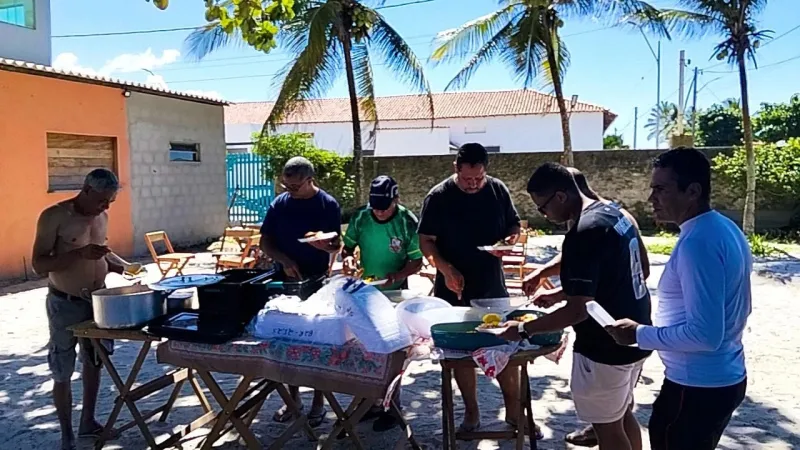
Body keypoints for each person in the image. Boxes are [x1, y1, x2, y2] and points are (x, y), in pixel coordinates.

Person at [606, 148, 752, 450]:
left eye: (661, 189)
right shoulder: (724, 228)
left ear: (693, 191)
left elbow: (706, 335)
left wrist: (638, 334)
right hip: (719, 377)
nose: (651, 199)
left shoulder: (698, 242)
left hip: (697, 386)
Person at [501, 162, 652, 450]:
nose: (544, 214)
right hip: (637, 333)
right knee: (621, 415)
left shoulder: (582, 232)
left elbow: (578, 310)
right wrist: (559, 290)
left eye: (542, 207)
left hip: (604, 347)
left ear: (560, 196)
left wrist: (521, 329)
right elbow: (639, 270)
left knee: (607, 429)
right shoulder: (617, 214)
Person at [418, 143, 529, 434]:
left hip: (492, 284)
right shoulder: (438, 197)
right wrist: (446, 269)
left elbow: (513, 226)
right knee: (461, 354)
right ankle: (471, 411)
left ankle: (515, 413)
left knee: (504, 349)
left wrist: (509, 242)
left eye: (478, 178)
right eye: (468, 179)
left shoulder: (497, 190)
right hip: (452, 288)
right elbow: (426, 241)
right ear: (456, 168)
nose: (473, 184)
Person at [32, 169, 125, 450]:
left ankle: (88, 421)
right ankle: (66, 435)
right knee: (62, 369)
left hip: (97, 301)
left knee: (95, 362)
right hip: (65, 303)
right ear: (86, 190)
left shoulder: (102, 217)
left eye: (110, 201)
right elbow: (39, 265)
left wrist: (115, 265)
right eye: (102, 200)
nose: (106, 207)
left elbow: (101, 252)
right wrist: (78, 254)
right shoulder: (55, 216)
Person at [259, 156, 342, 427]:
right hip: (286, 279)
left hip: (316, 279)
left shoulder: (326, 204)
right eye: (286, 185)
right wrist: (283, 259)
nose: (289, 191)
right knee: (288, 341)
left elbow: (335, 245)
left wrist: (324, 246)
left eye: (294, 186)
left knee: (316, 342)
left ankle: (319, 402)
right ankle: (292, 399)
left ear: (310, 180)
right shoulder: (280, 204)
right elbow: (266, 241)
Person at [341, 175, 423, 431]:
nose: (379, 211)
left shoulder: (407, 221)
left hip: (395, 293)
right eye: (375, 205)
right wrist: (348, 259)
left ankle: (392, 406)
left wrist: (397, 276)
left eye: (384, 206)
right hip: (366, 292)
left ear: (396, 200)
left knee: (393, 350)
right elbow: (348, 247)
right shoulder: (361, 218)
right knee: (365, 347)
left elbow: (417, 261)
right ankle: (368, 404)